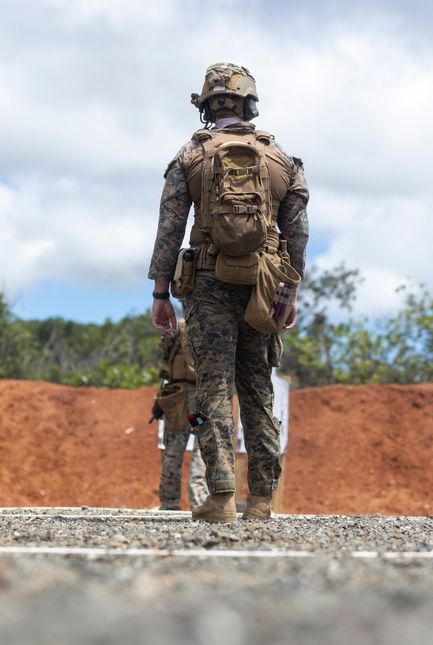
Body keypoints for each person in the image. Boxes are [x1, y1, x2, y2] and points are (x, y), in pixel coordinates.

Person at [148, 62, 309, 522]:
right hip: (265, 285)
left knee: (212, 390)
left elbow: (169, 227)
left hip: (208, 283)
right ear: (249, 104)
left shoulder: (189, 156)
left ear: (205, 106)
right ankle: (261, 499)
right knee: (259, 391)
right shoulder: (282, 159)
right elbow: (297, 232)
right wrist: (289, 293)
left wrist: (161, 291)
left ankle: (219, 495)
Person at [155, 318, 208, 511]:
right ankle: (199, 500)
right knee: (202, 448)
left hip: (177, 399)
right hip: (200, 400)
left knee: (173, 450)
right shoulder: (208, 323)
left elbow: (163, 356)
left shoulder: (175, 327)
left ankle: (169, 502)